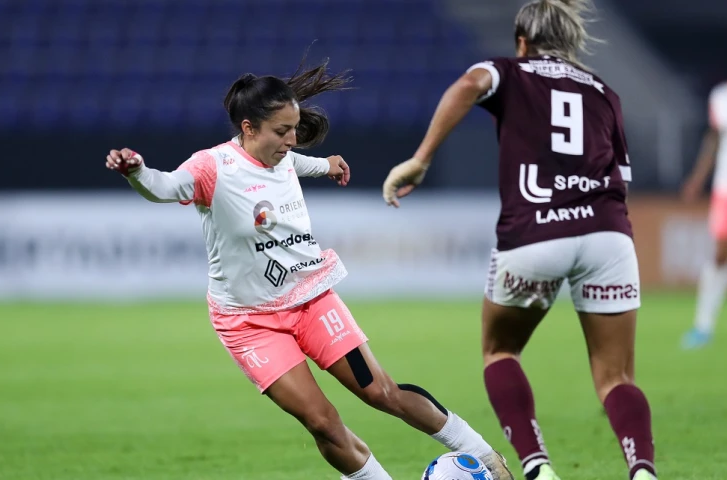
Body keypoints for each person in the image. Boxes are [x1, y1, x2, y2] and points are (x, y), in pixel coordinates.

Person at [106, 55, 512, 480]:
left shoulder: (283, 156)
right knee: (322, 422)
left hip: (312, 300)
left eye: (295, 129)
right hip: (249, 323)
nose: (292, 140)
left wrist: (329, 165)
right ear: (248, 128)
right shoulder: (212, 167)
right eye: (282, 131)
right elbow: (165, 187)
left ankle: (484, 456)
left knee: (382, 393)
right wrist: (137, 171)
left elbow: (300, 163)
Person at [382, 1, 656, 479]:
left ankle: (537, 468)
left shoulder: (508, 70)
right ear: (571, 45)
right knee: (616, 377)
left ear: (522, 42)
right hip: (606, 234)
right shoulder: (606, 92)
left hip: (534, 234)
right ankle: (643, 471)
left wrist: (421, 159)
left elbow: (469, 85)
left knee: (500, 350)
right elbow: (623, 179)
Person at [680, 32, 727, 349]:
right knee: (722, 255)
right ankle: (703, 326)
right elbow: (713, 141)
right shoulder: (723, 97)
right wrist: (697, 177)